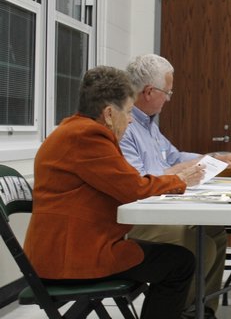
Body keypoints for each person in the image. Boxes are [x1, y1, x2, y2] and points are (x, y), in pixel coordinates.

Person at [23, 66, 205, 319]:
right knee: (180, 262)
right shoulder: (88, 136)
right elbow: (134, 188)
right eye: (129, 112)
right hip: (72, 258)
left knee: (175, 258)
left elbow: (127, 183)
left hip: (70, 249)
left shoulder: (74, 130)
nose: (131, 120)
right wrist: (179, 180)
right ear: (109, 113)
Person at [119, 54, 231, 319]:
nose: (169, 98)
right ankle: (185, 311)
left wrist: (216, 158)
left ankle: (203, 309)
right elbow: (140, 183)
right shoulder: (126, 127)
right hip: (140, 219)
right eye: (168, 92)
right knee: (202, 247)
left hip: (163, 208)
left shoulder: (149, 125)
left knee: (216, 232)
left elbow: (175, 158)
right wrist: (181, 174)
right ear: (150, 92)